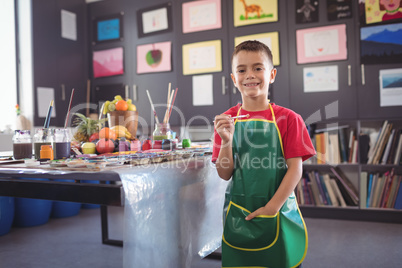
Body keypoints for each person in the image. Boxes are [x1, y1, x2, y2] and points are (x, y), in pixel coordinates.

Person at [212, 40, 316, 268]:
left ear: (272, 75)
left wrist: (272, 208)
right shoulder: (225, 121)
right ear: (233, 78)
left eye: (258, 68)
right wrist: (227, 141)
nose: (250, 75)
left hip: (278, 209)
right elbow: (224, 173)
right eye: (241, 70)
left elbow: (295, 169)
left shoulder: (290, 119)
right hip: (239, 211)